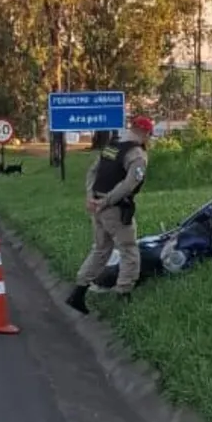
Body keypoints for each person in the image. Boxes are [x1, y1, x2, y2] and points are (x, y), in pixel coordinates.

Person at [66, 116, 153, 315]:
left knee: (101, 249)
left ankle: (78, 292)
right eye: (149, 135)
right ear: (145, 134)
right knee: (129, 250)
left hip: (97, 205)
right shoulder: (137, 154)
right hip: (115, 208)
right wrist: (106, 201)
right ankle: (124, 294)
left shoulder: (112, 146)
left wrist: (91, 197)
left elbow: (93, 172)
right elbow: (129, 184)